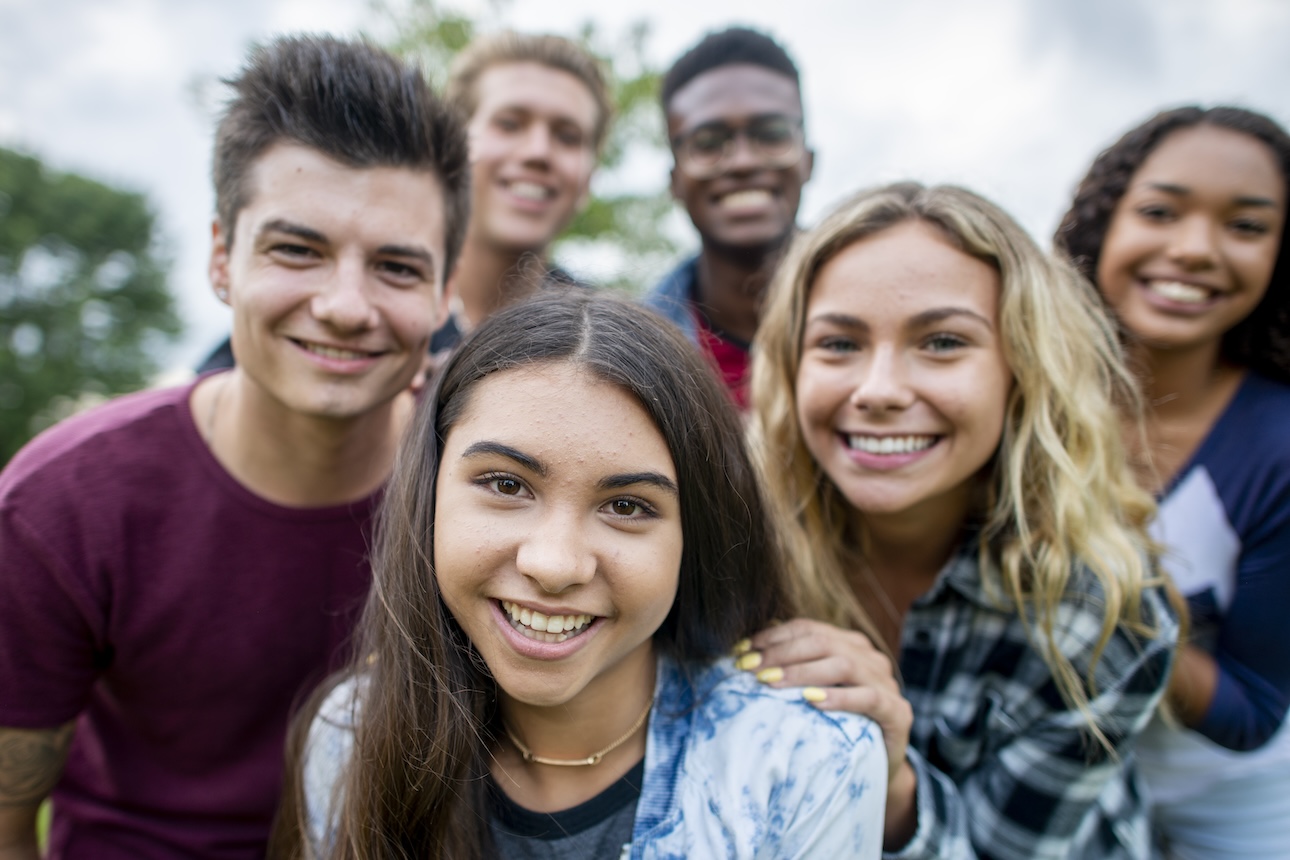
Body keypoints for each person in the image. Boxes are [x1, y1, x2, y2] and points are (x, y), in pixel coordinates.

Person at [0, 36, 468, 859]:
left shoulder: (487, 494)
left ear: (445, 293)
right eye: (298, 249)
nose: (345, 306)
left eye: (395, 266)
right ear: (222, 257)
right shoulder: (61, 505)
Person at [272, 292, 887, 859]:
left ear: (694, 537)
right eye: (507, 485)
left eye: (626, 507)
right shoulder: (349, 739)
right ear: (428, 494)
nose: (555, 565)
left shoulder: (808, 765)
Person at [745, 182, 1180, 858]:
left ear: (1024, 369)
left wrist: (891, 783)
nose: (880, 391)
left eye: (942, 342)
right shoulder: (733, 548)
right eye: (838, 344)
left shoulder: (1102, 610)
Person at [1055, 106, 1290, 859]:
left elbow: (1252, 712)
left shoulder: (1277, 445)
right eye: (1160, 211)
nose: (1193, 249)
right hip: (1063, 804)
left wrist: (1112, 603)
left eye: (1246, 227)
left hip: (1235, 818)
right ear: (1103, 223)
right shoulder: (1030, 406)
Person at [196, 31, 608, 374]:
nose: (539, 151)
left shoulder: (605, 340)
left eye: (568, 136)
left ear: (589, 174)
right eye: (509, 123)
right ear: (452, 149)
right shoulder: (299, 328)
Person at [644, 26, 814, 408]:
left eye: (770, 134)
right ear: (675, 180)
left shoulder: (892, 312)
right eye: (707, 143)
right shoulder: (629, 355)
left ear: (809, 160)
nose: (742, 161)